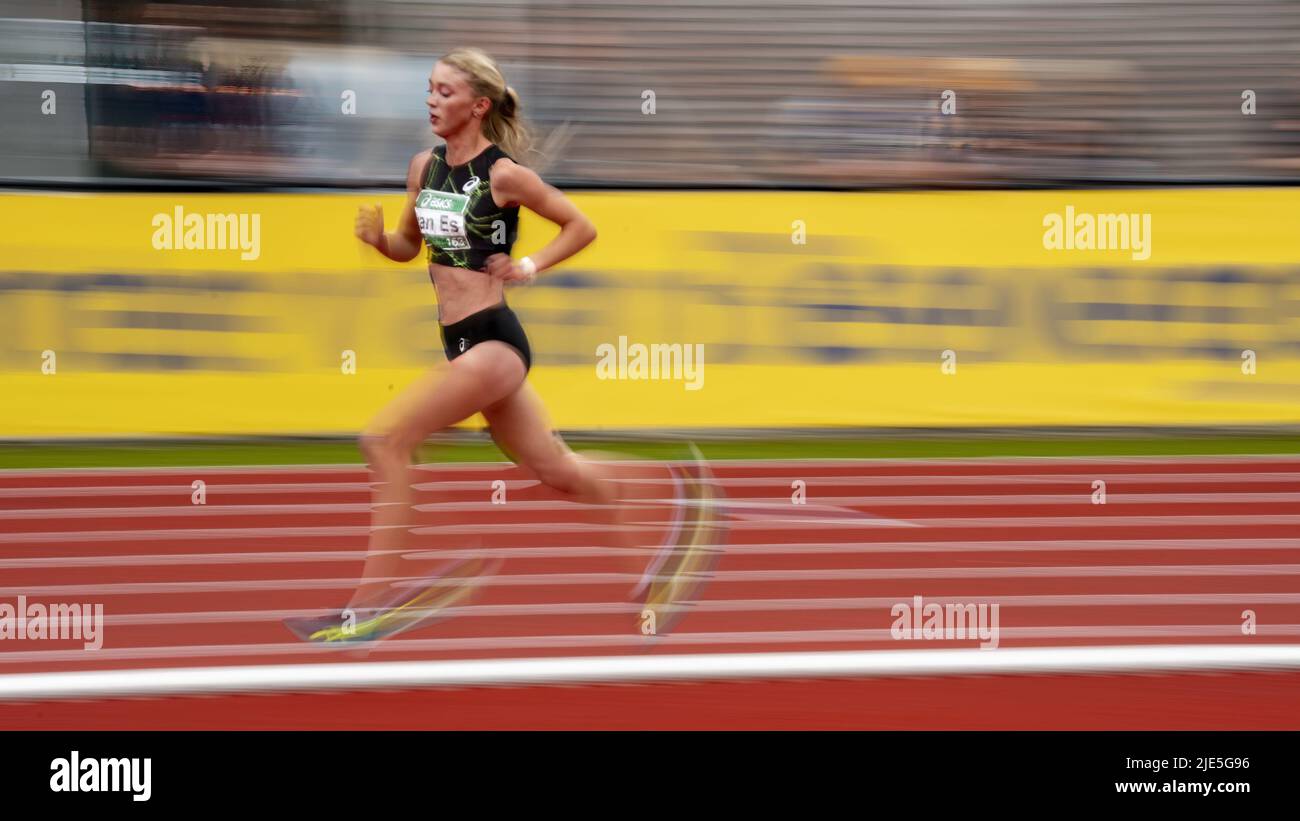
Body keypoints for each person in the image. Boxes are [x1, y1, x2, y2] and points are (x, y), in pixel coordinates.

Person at [285, 48, 721, 644]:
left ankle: (368, 607)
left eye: (445, 92)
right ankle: (666, 504)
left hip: (494, 342)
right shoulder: (424, 168)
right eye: (429, 89)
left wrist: (529, 265)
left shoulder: (503, 175)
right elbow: (408, 247)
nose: (431, 100)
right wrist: (376, 239)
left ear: (478, 105)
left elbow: (580, 225)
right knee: (559, 472)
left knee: (385, 440)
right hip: (460, 346)